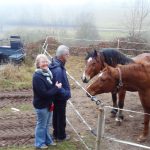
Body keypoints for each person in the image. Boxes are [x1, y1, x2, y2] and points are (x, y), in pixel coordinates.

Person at [32, 54, 62, 149]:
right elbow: (43, 94)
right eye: (42, 62)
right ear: (38, 64)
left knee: (47, 124)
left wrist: (55, 86)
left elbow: (50, 88)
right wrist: (56, 88)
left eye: (46, 61)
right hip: (41, 105)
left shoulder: (48, 73)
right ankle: (39, 143)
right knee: (41, 125)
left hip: (49, 103)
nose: (45, 63)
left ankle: (48, 140)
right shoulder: (37, 77)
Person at [49, 45, 71, 141]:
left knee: (56, 115)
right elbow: (57, 85)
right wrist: (66, 93)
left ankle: (56, 134)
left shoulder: (56, 65)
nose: (68, 56)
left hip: (56, 97)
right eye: (67, 54)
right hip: (60, 97)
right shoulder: (58, 69)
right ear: (62, 56)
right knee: (61, 117)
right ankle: (61, 136)